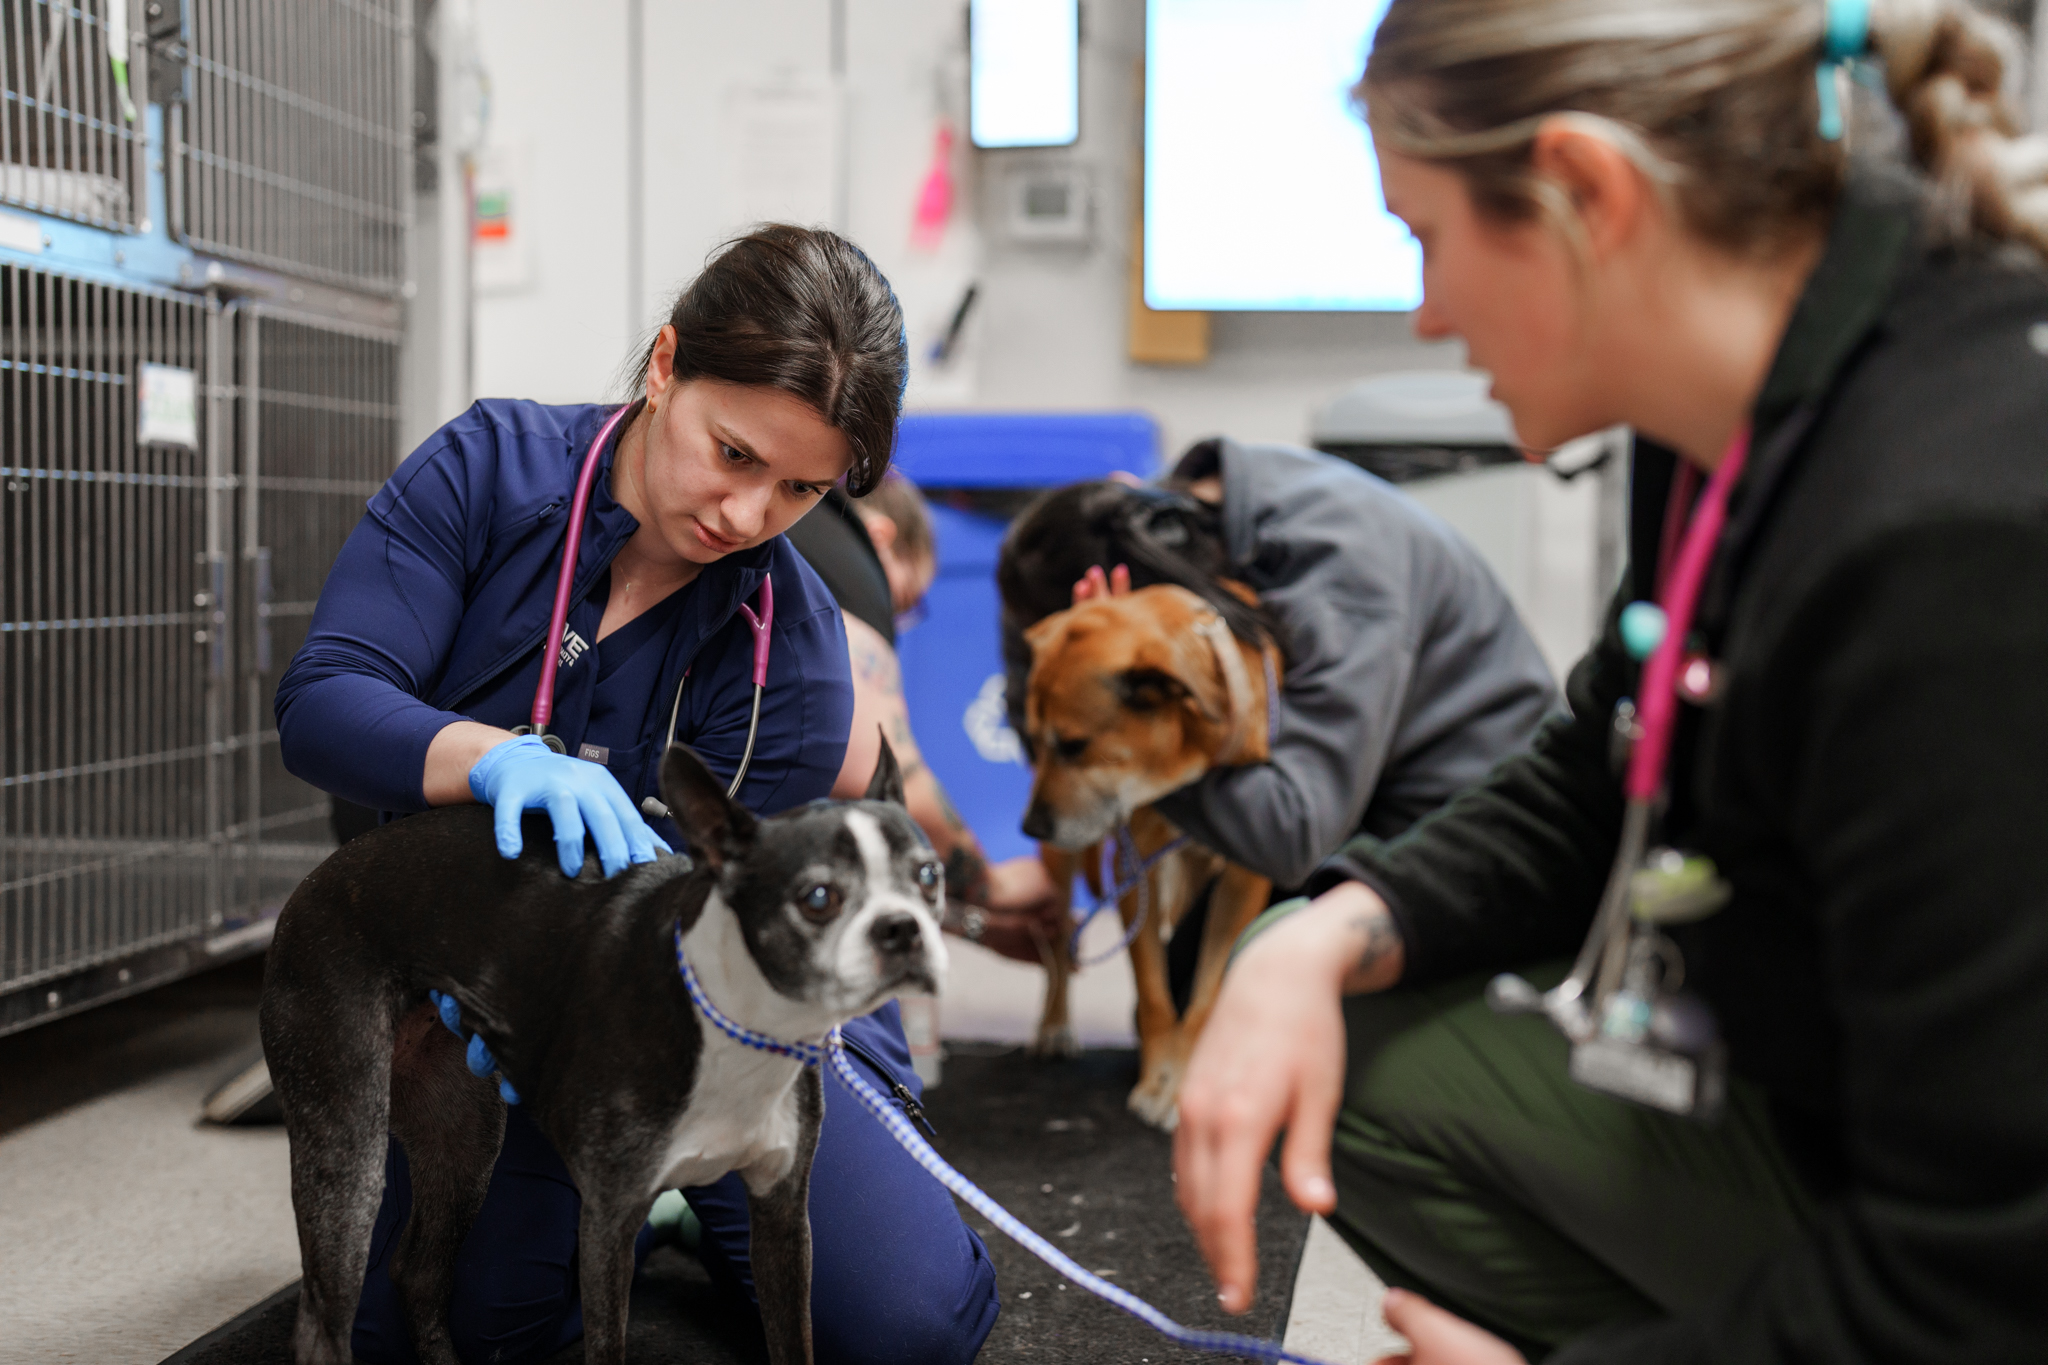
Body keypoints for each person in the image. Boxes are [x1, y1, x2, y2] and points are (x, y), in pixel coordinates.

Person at [1172, 3, 2048, 1362]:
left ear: (1586, 191)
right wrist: (1332, 925)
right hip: (1832, 1092)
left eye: (1429, 239)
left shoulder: (1949, 542)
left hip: (1983, 1249)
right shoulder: (1720, 419)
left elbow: (1990, 1270)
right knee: (1353, 1040)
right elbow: (1605, 749)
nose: (1426, 309)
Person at [275, 225, 999, 1365]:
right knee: (459, 1327)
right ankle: (659, 1197)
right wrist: (496, 756)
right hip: (470, 967)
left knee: (902, 1325)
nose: (748, 515)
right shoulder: (489, 470)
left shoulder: (790, 651)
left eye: (800, 489)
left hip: (732, 995)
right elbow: (322, 704)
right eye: (733, 454)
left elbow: (750, 935)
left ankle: (707, 1196)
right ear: (664, 366)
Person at [997, 441, 1561, 1006]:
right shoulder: (1161, 513)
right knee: (1192, 977)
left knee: (1248, 1010)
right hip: (1367, 790)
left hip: (1473, 824)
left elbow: (1293, 834)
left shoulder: (1339, 583)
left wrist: (1135, 736)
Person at [786, 474, 1066, 963]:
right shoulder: (846, 562)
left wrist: (973, 925)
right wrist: (993, 886)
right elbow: (876, 774)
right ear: (881, 541)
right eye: (903, 603)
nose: (892, 626)